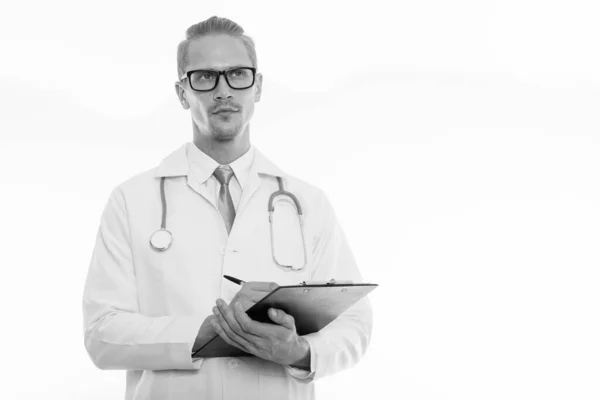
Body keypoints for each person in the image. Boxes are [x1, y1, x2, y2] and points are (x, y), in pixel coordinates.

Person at [82, 16, 373, 400]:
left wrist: (300, 352)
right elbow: (102, 333)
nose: (223, 91)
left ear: (258, 87)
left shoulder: (308, 203)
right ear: (183, 92)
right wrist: (207, 332)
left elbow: (354, 324)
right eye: (205, 77)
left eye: (237, 74)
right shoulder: (131, 200)